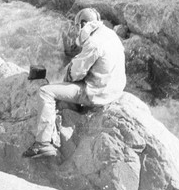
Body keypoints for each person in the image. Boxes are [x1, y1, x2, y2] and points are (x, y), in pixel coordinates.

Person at [22, 8, 127, 158]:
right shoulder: (111, 35)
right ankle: (71, 107)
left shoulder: (93, 43)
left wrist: (65, 79)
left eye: (77, 26)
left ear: (83, 24)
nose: (77, 30)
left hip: (96, 94)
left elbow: (76, 74)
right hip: (115, 90)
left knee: (46, 92)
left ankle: (43, 144)